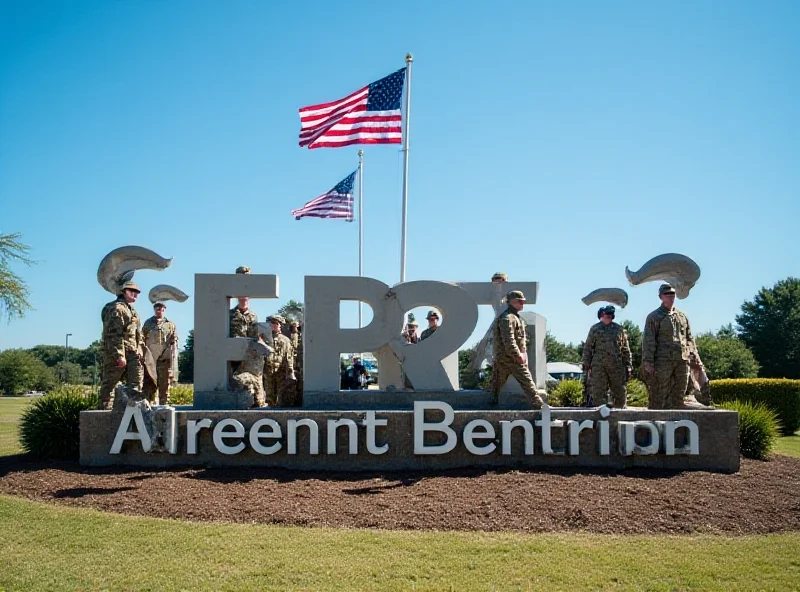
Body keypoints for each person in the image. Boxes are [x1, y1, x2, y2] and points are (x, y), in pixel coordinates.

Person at [642, 283, 699, 409]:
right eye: (667, 294)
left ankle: (676, 424)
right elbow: (648, 340)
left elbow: (689, 338)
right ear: (661, 297)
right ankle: (655, 422)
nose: (670, 296)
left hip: (682, 360)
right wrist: (648, 362)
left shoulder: (682, 316)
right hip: (663, 361)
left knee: (680, 391)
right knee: (659, 393)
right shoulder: (654, 316)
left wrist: (695, 357)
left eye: (672, 294)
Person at [491, 290, 545, 408]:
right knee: (526, 382)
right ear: (513, 302)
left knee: (496, 386)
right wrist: (517, 355)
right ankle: (540, 406)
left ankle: (490, 405)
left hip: (507, 358)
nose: (522, 304)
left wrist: (523, 353)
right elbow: (509, 340)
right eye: (520, 302)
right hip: (509, 358)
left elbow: (521, 339)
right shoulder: (507, 318)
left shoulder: (515, 317)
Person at [98, 281, 145, 410]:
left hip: (133, 353)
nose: (135, 294)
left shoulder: (132, 311)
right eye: (131, 291)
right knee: (110, 385)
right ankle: (105, 416)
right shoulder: (116, 308)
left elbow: (138, 335)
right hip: (118, 353)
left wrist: (140, 350)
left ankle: (134, 418)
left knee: (135, 387)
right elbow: (113, 334)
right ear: (123, 292)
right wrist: (119, 355)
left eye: (136, 292)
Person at [581, 305, 632, 408]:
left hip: (616, 365)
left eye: (610, 315)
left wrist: (628, 365)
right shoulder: (595, 329)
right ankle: (600, 417)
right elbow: (588, 348)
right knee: (598, 392)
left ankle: (619, 415)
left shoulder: (619, 329)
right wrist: (586, 363)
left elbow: (625, 349)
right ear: (601, 315)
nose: (608, 317)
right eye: (606, 315)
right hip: (599, 366)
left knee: (619, 392)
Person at [142, 302, 178, 405]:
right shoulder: (148, 323)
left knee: (164, 385)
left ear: (164, 310)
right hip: (150, 360)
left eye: (161, 308)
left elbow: (173, 341)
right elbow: (142, 339)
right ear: (154, 309)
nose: (159, 310)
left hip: (164, 360)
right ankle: (148, 406)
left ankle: (163, 406)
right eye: (157, 308)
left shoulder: (170, 324)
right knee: (149, 385)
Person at [231, 331, 273, 408]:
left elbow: (268, 352)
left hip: (256, 376)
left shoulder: (254, 344)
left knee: (260, 401)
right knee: (245, 385)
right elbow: (269, 351)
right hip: (249, 374)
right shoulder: (254, 343)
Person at [263, 314, 296, 406]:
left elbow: (289, 358)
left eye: (277, 323)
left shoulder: (285, 340)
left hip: (280, 373)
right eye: (272, 323)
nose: (275, 325)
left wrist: (290, 372)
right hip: (266, 372)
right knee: (268, 398)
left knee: (281, 397)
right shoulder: (264, 339)